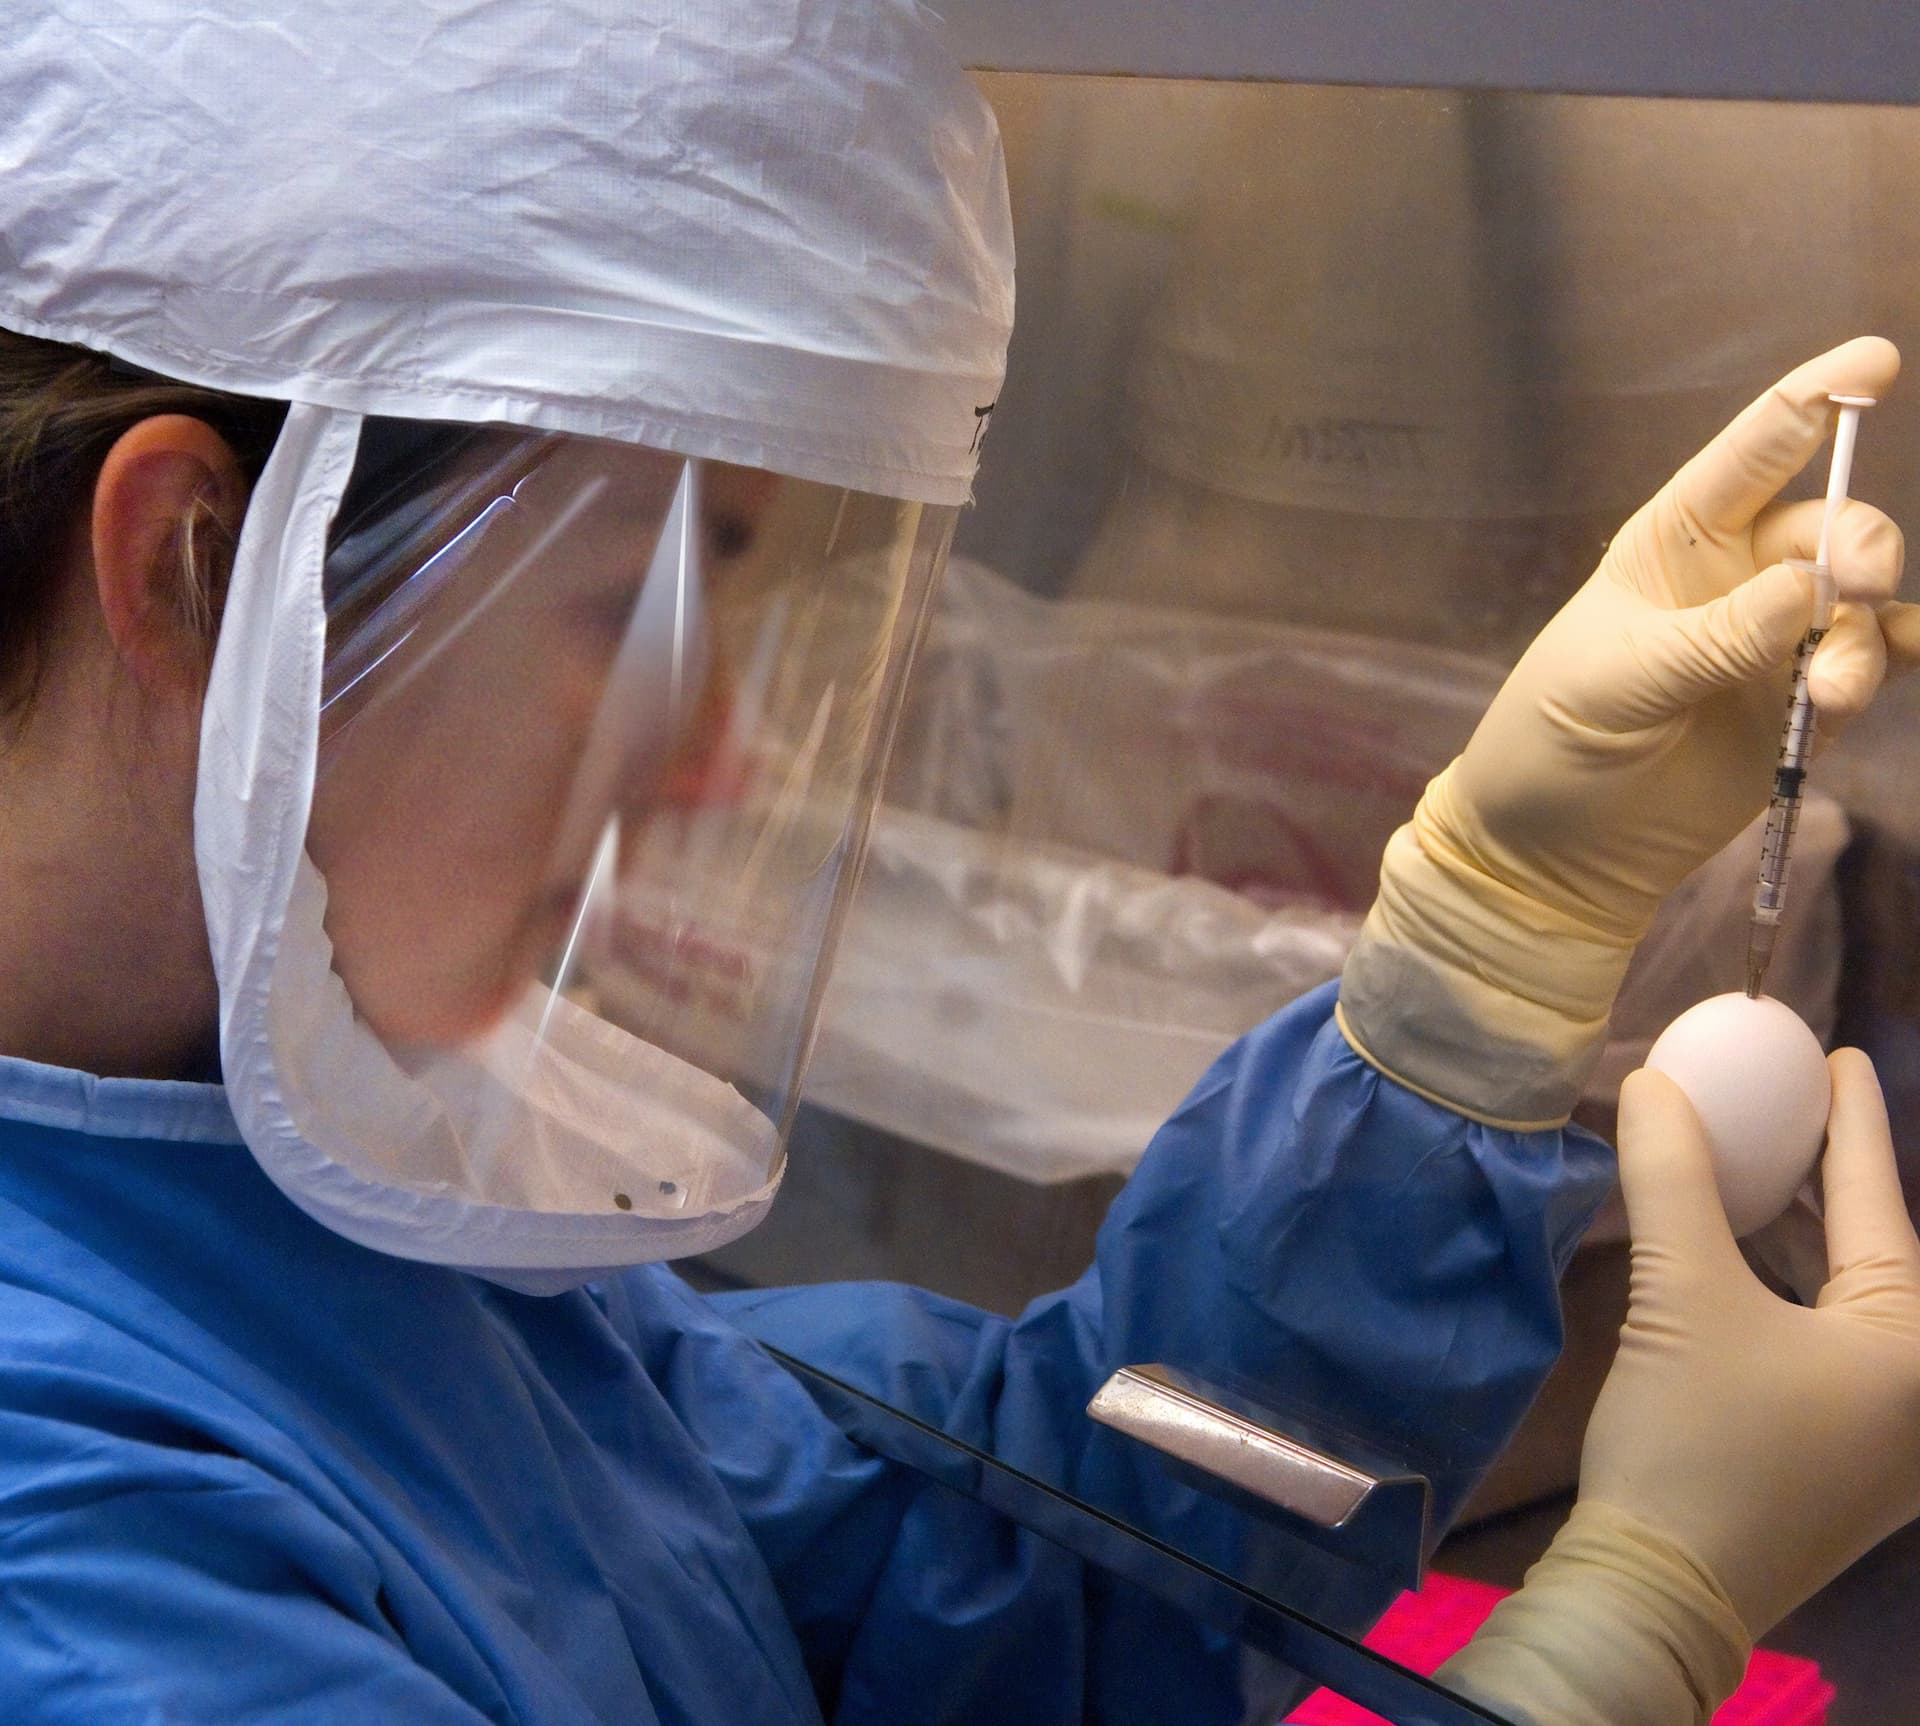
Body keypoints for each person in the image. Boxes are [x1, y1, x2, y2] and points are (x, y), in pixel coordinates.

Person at [0, 4, 1916, 1723]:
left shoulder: (325, 1184)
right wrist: (1615, 1639)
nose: (710, 757)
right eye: (629, 615)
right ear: (192, 563)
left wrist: (1477, 963)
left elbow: (981, 1563)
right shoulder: (65, 1549)